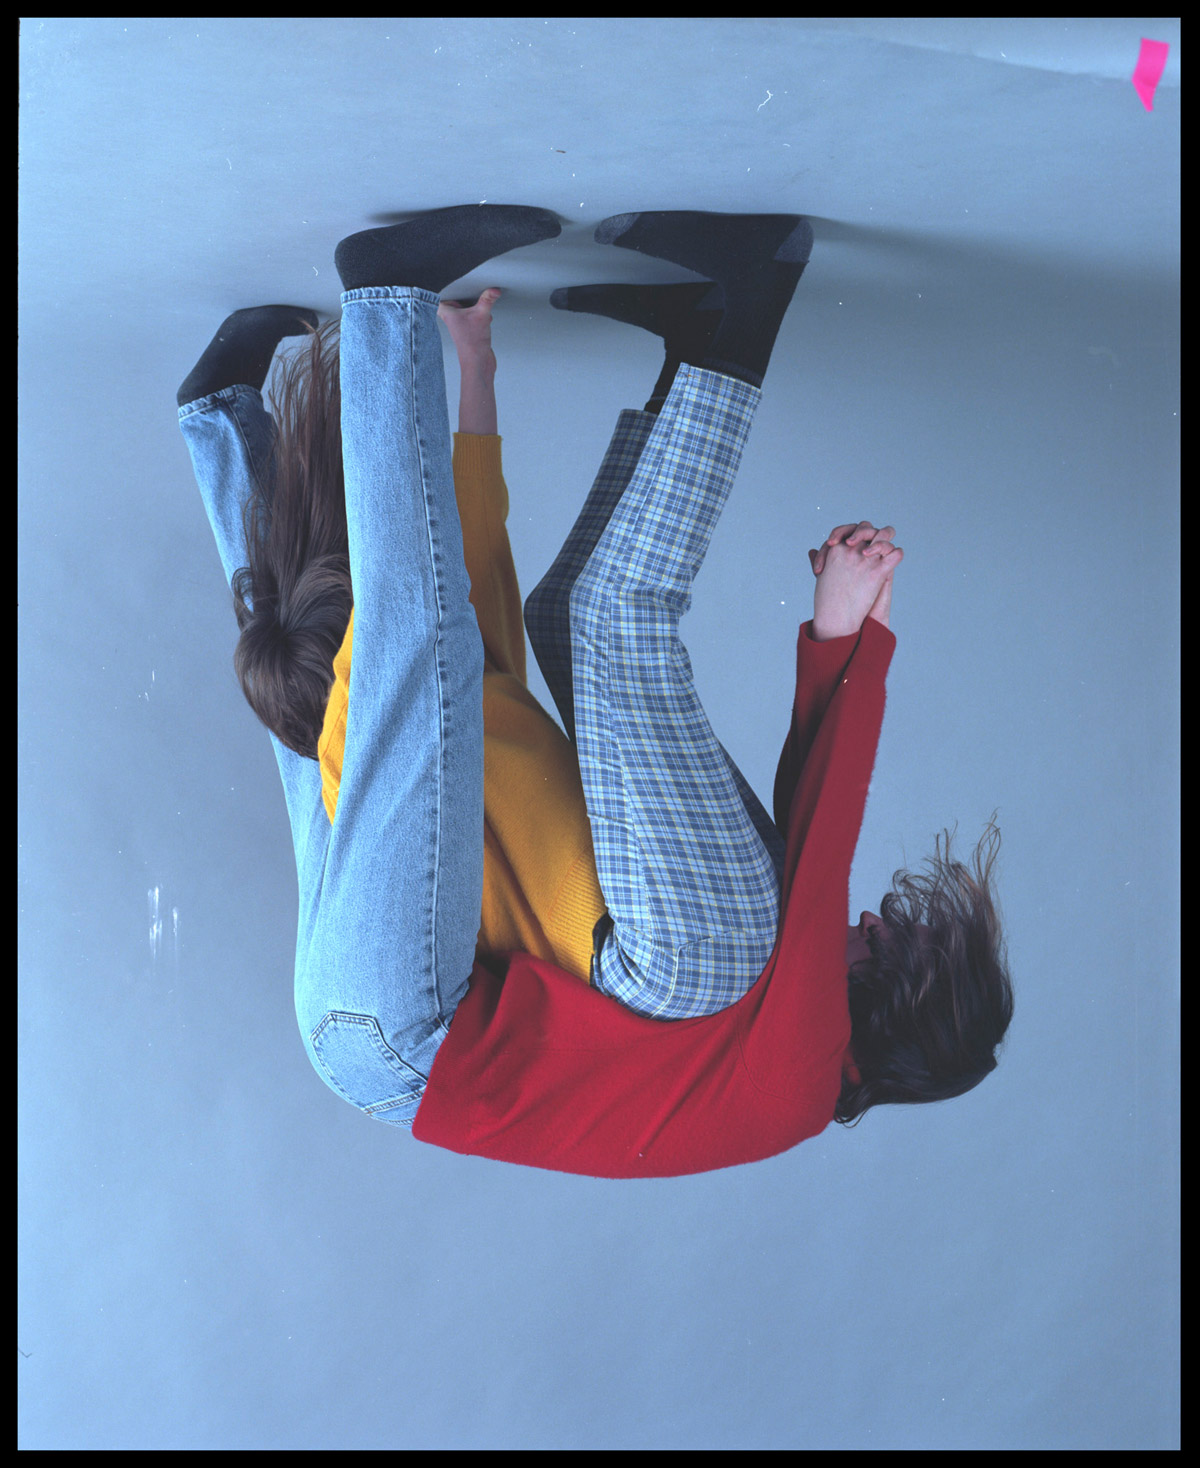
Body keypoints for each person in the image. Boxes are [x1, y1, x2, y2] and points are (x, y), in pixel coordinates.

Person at [178, 205, 1013, 1179]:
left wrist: (854, 642)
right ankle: (224, 416)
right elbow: (804, 848)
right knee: (382, 703)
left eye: (896, 950)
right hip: (368, 1028)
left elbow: (822, 859)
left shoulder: (801, 1080)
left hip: (415, 1024)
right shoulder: (758, 1053)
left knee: (485, 653)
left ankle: (403, 296)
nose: (872, 924)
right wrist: (840, 650)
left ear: (903, 1014)